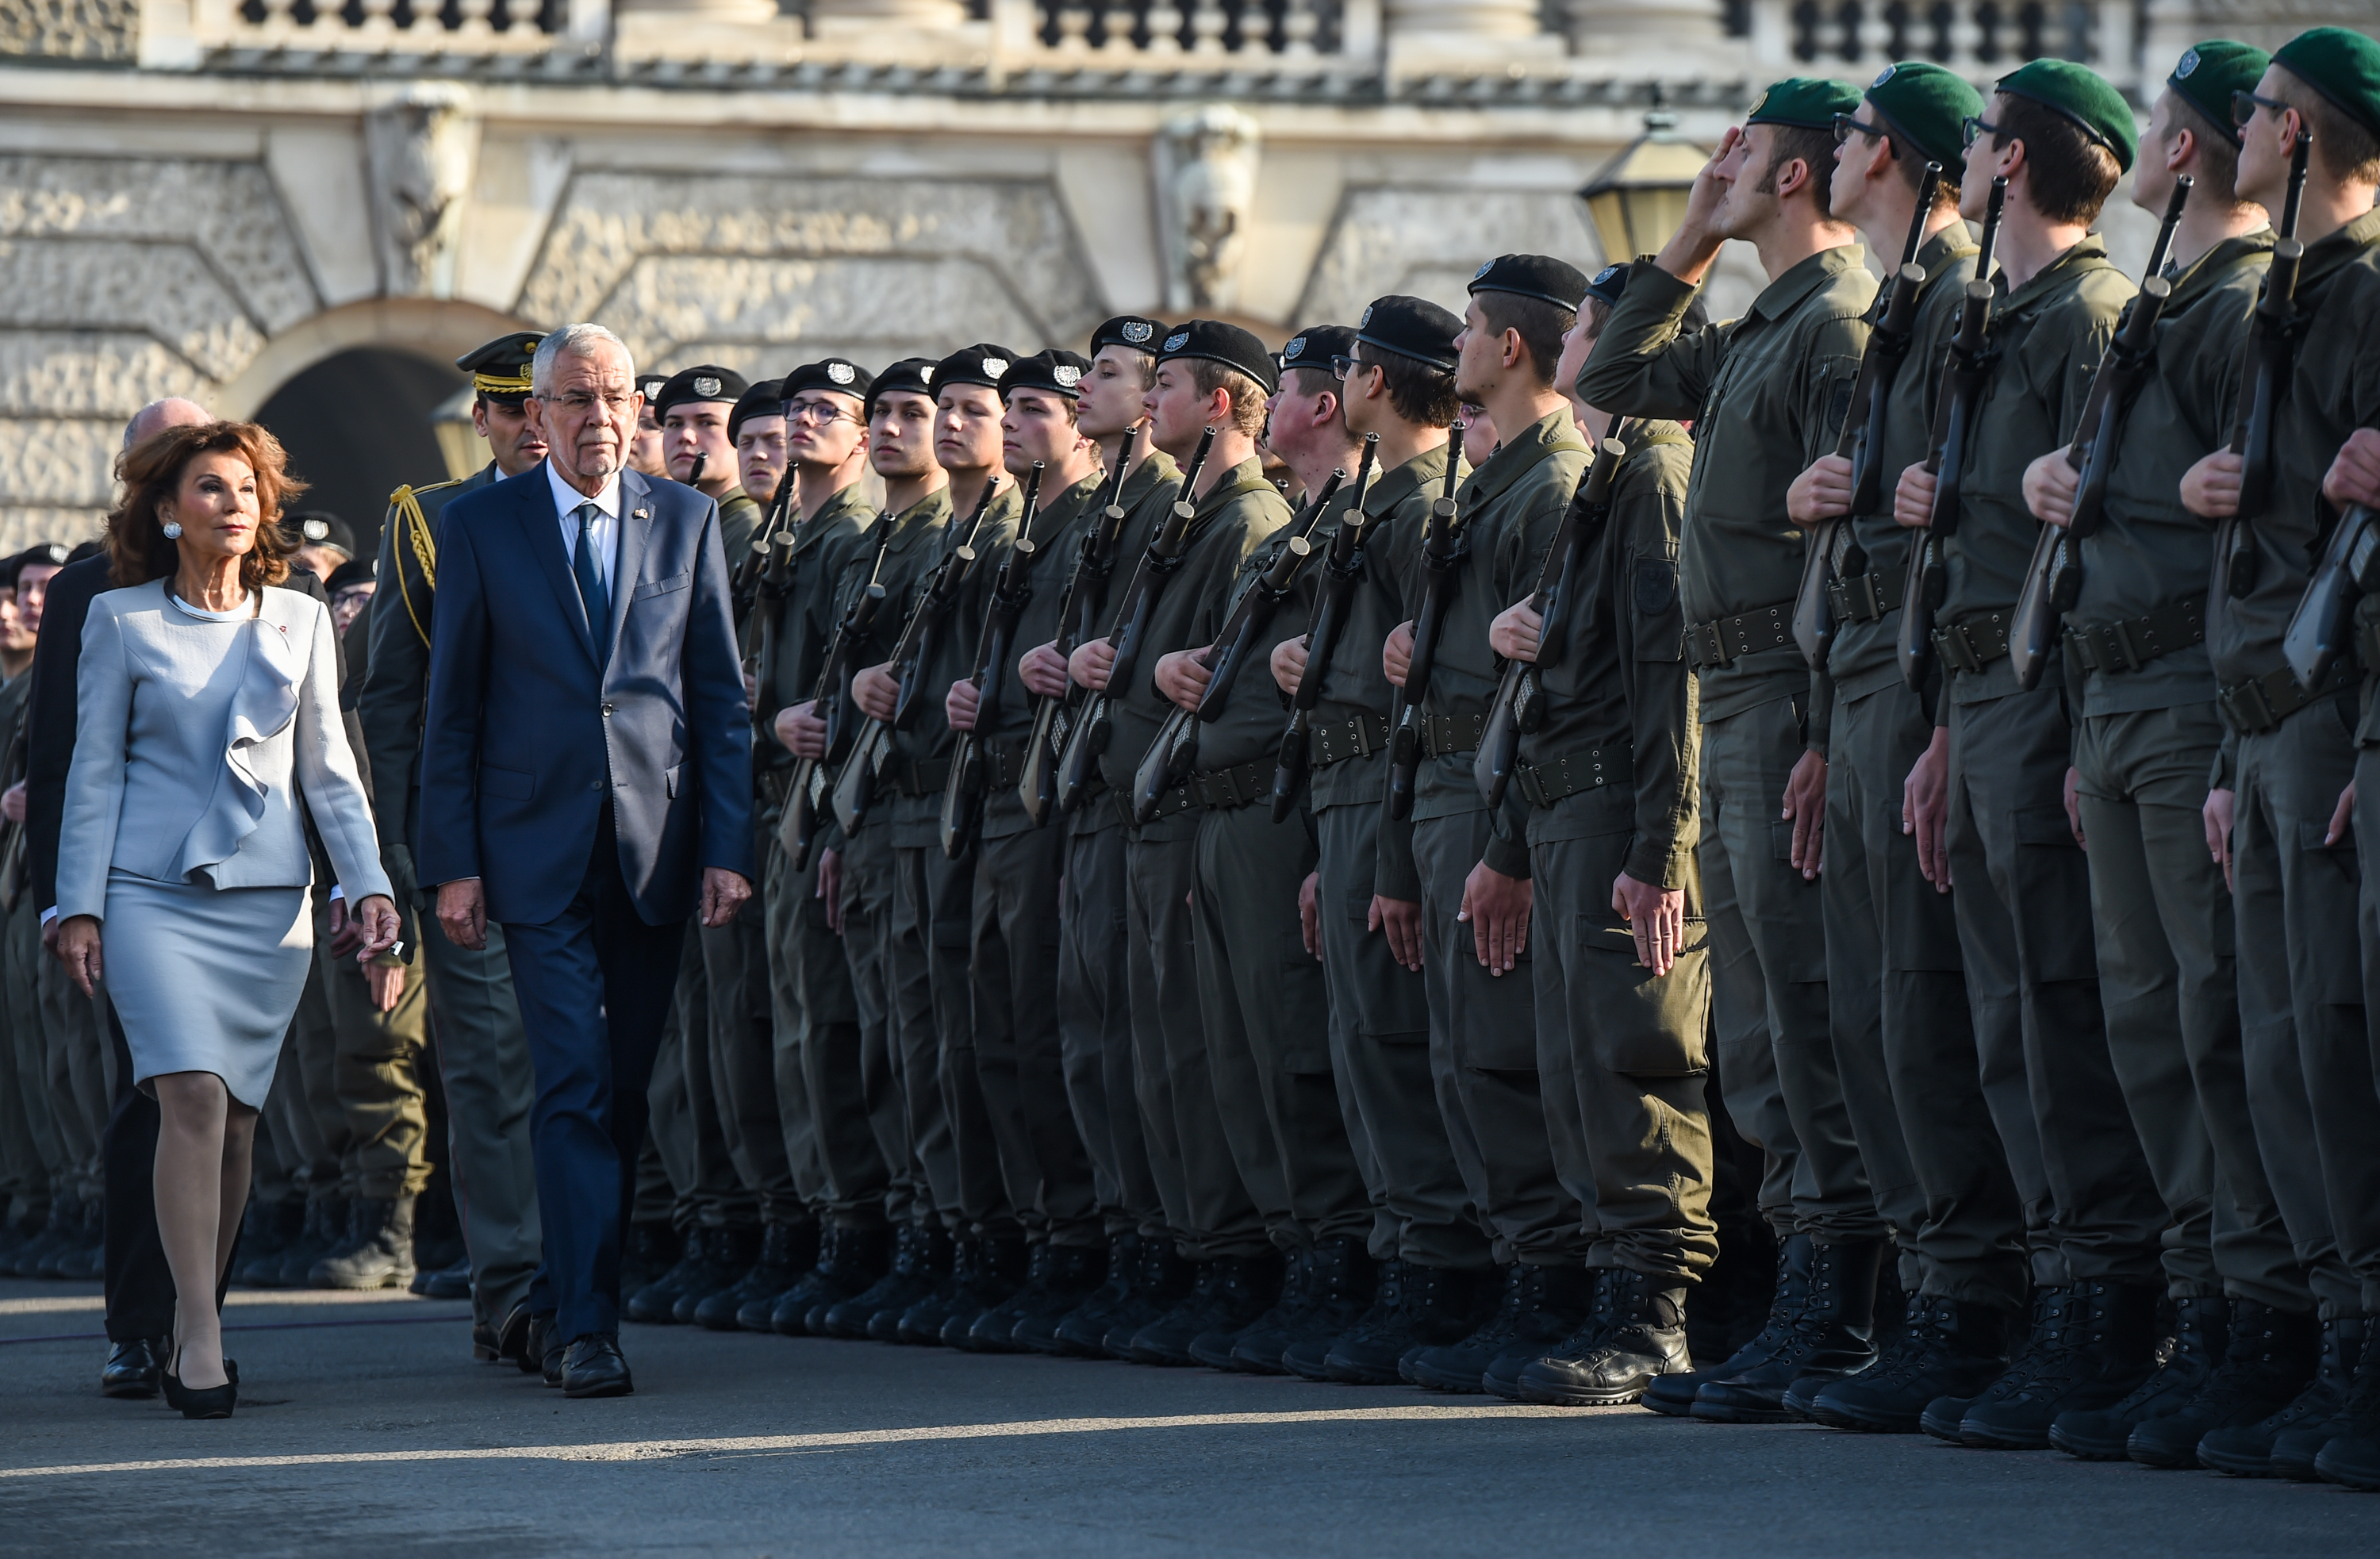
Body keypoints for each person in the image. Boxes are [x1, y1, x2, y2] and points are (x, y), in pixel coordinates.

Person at [2014, 40, 2306, 1467]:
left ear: (2180, 153)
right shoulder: (2165, 307)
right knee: (2145, 1022)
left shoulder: (2241, 303)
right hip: (2115, 696)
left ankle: (2256, 1321)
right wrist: (2045, 478)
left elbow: (2251, 530)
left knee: (2214, 1020)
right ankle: (2199, 1302)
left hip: (2197, 696)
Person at [1580, 80, 1889, 1423]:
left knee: (1805, 1011)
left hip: (1788, 685)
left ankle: (1838, 1310)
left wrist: (1822, 726)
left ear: (1802, 176)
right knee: (1761, 1021)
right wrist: (1693, 236)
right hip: (1742, 685)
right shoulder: (1762, 322)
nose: (1724, 163)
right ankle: (1804, 1298)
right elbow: (1616, 377)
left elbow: (1853, 552)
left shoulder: (1834, 322)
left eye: (1746, 152)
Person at [418, 321, 754, 1399]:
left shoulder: (686, 520)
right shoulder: (480, 526)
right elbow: (453, 712)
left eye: (617, 397)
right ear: (537, 414)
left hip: (654, 847)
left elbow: (720, 700)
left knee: (618, 1091)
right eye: (576, 399)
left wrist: (727, 847)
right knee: (567, 1080)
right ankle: (589, 1331)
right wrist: (453, 863)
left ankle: (567, 1294)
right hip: (534, 851)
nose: (600, 417)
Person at [53, 420, 400, 1419]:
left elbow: (330, 770)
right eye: (210, 487)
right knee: (192, 1099)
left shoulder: (297, 619)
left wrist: (366, 883)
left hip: (269, 909)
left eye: (248, 488)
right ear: (167, 512)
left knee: (240, 1123)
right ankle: (195, 1341)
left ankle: (205, 1307)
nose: (235, 503)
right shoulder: (120, 622)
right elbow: (93, 774)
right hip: (148, 898)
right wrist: (77, 905)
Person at [1785, 60, 2036, 1435]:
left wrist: (1931, 717)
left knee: (1944, 1007)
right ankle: (1936, 1292)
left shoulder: (1959, 301)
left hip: (1936, 678)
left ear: (1912, 162)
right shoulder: (1899, 304)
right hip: (1867, 675)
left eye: (1860, 136)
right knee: (1880, 1009)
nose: (1840, 151)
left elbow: (1961, 532)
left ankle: (1970, 1300)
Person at [2178, 25, 2380, 1478]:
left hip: (2332, 714)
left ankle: (2362, 1345)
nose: (2240, 135)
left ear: (2302, 134)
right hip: (2258, 719)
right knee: (2278, 1049)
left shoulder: (2363, 294)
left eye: (2260, 113)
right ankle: (2325, 1337)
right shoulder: (2294, 295)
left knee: (2334, 1044)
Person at [1360, 256, 1595, 1388]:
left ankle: (1543, 1282)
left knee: (1503, 1053)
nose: (1453, 347)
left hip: (1498, 796)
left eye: (1469, 330)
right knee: (1462, 1053)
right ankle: (1515, 1274)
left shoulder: (1550, 486)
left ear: (1510, 348)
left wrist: (1506, 849)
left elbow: (1550, 686)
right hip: (1448, 786)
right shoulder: (1489, 482)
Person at [1483, 263, 1710, 1406]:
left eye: (1587, 323)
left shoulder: (1655, 471)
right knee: (1582, 1071)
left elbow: (1674, 679)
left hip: (1624, 807)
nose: (1573, 339)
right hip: (1573, 806)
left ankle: (1654, 1315)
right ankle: (1609, 1291)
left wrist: (1657, 850)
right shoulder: (1613, 475)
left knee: (1636, 1062)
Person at [1275, 297, 1491, 1384]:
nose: (1339, 376)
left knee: (1405, 1044)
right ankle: (1404, 1256)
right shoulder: (1380, 502)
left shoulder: (1420, 505)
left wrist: (1394, 852)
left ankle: (1437, 1268)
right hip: (1349, 790)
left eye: (1355, 362)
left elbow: (1425, 692)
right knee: (1370, 1047)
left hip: (1396, 790)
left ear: (1381, 381)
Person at [1073, 320, 1283, 1367]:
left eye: (1170, 387)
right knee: (1153, 1050)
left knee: (1206, 1053)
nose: (1150, 402)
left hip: (1199, 812)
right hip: (1152, 812)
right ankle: (1188, 1250)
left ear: (1221, 404)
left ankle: (1230, 1260)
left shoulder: (1242, 521)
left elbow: (1224, 691)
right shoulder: (1186, 520)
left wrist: (1150, 679)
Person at [359, 330, 548, 1365]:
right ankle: (516, 1289)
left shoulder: (620, 521)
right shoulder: (429, 523)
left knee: (577, 1068)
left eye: (542, 404)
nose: (528, 425)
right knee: (488, 1071)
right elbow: (391, 703)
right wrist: (402, 852)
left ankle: (560, 1276)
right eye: (509, 408)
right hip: (474, 838)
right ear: (480, 419)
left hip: (588, 836)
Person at [1021, 317, 1184, 1357]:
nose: (1092, 384)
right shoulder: (1114, 509)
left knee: (1142, 1038)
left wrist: (1107, 666)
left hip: (1139, 795)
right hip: (1087, 789)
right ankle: (1124, 1243)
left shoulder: (1170, 503)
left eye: (1116, 373)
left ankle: (1159, 1251)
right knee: (1085, 1031)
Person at [940, 348, 1109, 1350]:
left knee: (1054, 1028)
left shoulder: (1091, 524)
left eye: (1033, 409)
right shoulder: (1024, 533)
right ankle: (1041, 1233)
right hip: (1000, 793)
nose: (1010, 425)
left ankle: (1078, 1239)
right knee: (992, 1027)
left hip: (1052, 799)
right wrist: (980, 691)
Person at [743, 355, 889, 1335]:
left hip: (824, 800)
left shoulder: (853, 540)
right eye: (796, 408)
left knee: (828, 1025)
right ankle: (799, 1221)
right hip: (771, 792)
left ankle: (850, 1228)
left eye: (828, 411)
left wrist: (810, 730)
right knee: (778, 1026)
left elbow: (857, 686)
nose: (803, 423)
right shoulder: (779, 538)